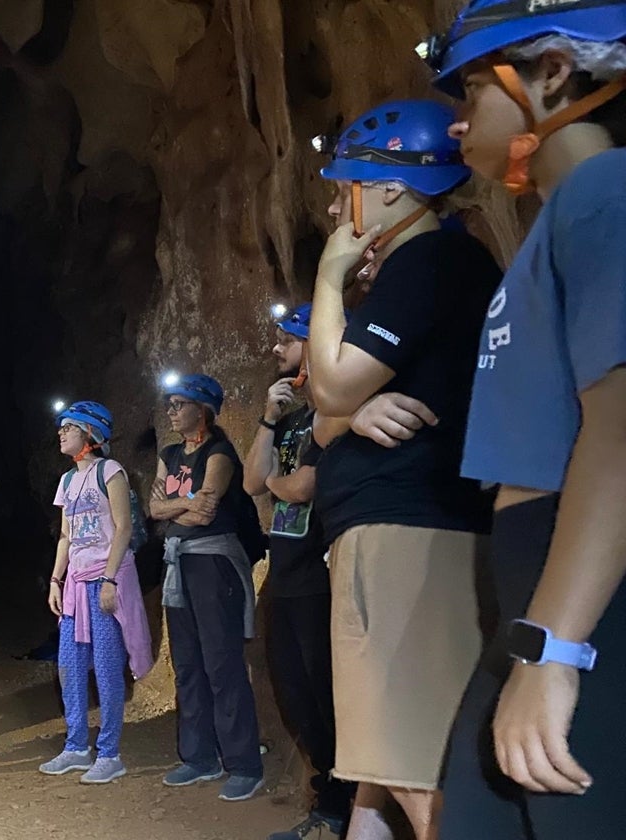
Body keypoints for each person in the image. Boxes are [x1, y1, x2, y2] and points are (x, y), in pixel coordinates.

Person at [415, 4, 626, 838]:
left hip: (583, 575)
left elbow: (618, 427)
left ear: (551, 73)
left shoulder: (605, 193)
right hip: (539, 569)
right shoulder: (566, 216)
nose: (460, 118)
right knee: (473, 810)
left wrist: (558, 649)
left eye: (474, 85)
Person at [305, 99, 502, 839]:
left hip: (407, 530)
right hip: (391, 528)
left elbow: (327, 386)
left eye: (343, 185)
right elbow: (326, 414)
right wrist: (348, 412)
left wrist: (328, 280)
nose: (333, 205)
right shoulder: (415, 271)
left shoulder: (431, 261)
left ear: (390, 188)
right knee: (378, 768)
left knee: (415, 768)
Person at [243, 305, 353, 839]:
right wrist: (267, 418)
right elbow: (251, 482)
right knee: (292, 689)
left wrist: (279, 483)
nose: (275, 349)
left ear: (313, 344)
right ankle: (328, 793)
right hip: (285, 572)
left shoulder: (334, 412)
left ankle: (344, 803)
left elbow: (300, 487)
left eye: (286, 339)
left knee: (323, 691)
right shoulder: (289, 421)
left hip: (319, 574)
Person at [149, 373, 264, 803]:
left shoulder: (220, 453)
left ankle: (244, 764)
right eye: (170, 404)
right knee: (188, 662)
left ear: (204, 409)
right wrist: (184, 503)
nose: (172, 411)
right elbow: (154, 508)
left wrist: (176, 509)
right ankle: (199, 757)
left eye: (180, 404)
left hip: (214, 565)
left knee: (222, 663)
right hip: (180, 564)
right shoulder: (170, 453)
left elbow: (207, 512)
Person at [40, 401, 154, 784]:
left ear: (90, 433)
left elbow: (122, 528)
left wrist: (109, 580)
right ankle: (75, 747)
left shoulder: (111, 471)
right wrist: (56, 580)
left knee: (106, 667)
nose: (61, 432)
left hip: (106, 577)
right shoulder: (68, 481)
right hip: (75, 582)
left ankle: (109, 752)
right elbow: (67, 536)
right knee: (69, 665)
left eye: (69, 427)